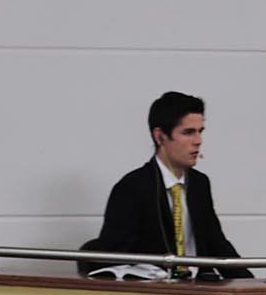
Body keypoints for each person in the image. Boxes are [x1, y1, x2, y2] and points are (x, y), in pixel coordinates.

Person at [81, 91, 242, 279]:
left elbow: (217, 245)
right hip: (155, 294)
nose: (198, 141)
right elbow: (113, 256)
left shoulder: (200, 183)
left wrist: (253, 284)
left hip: (199, 288)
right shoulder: (132, 187)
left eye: (200, 131)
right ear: (160, 137)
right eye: (188, 132)